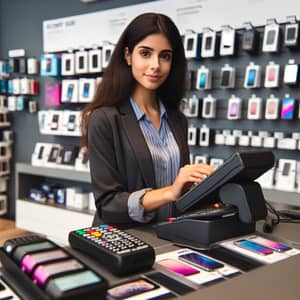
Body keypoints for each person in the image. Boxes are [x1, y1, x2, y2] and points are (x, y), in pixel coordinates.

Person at [81, 12, 214, 226]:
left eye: (165, 56)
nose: (156, 65)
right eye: (145, 53)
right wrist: (169, 192)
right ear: (128, 55)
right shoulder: (104, 119)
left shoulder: (176, 119)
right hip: (124, 239)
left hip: (169, 235)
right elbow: (108, 204)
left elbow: (180, 190)